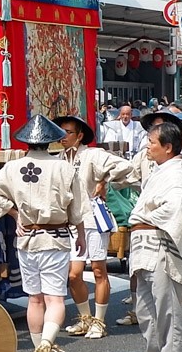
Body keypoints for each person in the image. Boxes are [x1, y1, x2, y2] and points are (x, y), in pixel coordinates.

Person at [0, 116, 82, 352]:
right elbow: (77, 208)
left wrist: (15, 213)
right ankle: (47, 345)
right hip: (56, 237)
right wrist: (81, 234)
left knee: (35, 299)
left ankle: (37, 348)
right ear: (51, 140)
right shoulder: (64, 168)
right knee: (55, 298)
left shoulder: (11, 167)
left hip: (27, 238)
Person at [124, 115, 182, 352]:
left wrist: (147, 217)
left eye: (152, 142)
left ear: (168, 147)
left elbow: (177, 208)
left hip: (160, 245)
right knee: (145, 309)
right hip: (145, 245)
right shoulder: (161, 170)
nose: (147, 147)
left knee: (167, 311)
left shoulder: (177, 173)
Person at [55, 114, 137, 336]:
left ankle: (99, 321)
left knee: (100, 270)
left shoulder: (92, 154)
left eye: (68, 132)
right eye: (60, 131)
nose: (63, 136)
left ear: (80, 135)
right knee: (73, 274)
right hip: (70, 222)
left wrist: (103, 181)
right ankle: (85, 318)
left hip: (91, 218)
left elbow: (124, 166)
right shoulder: (59, 158)